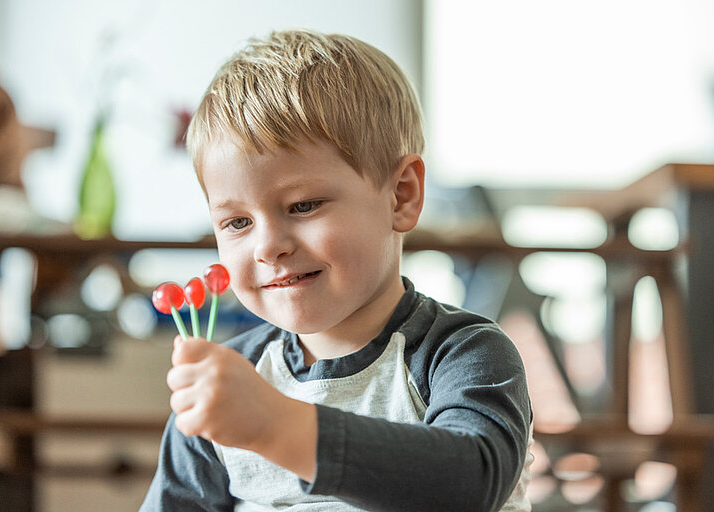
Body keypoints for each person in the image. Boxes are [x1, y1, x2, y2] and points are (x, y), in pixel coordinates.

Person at [141, 29, 532, 512]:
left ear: (401, 195)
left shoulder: (462, 354)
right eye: (237, 221)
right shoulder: (229, 384)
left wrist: (277, 425)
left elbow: (471, 483)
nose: (268, 247)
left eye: (303, 205)